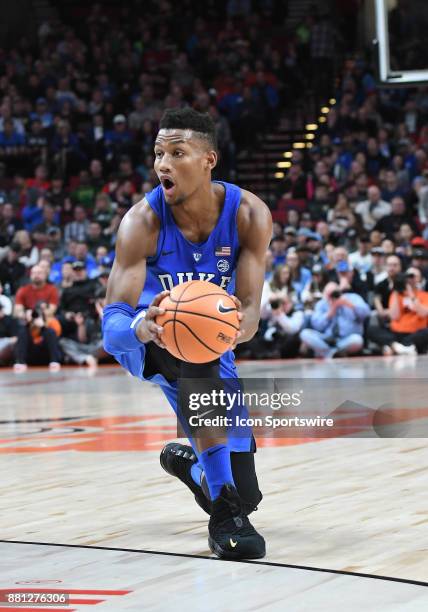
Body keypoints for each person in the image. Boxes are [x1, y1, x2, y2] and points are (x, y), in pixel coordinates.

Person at [103, 108, 272, 560]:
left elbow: (251, 309)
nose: (163, 163)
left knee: (247, 489)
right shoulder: (141, 222)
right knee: (193, 360)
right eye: (159, 153)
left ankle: (193, 467)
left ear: (208, 159)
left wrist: (240, 325)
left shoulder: (249, 214)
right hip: (152, 339)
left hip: (213, 343)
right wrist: (142, 326)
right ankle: (226, 518)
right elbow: (111, 325)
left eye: (177, 152)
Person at [300, 281, 370, 358]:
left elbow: (366, 314)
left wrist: (349, 304)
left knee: (357, 340)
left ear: (340, 291)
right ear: (325, 295)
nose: (333, 297)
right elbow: (316, 326)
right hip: (326, 339)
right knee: (305, 334)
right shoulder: (321, 304)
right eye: (329, 295)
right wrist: (330, 313)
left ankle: (327, 353)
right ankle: (332, 353)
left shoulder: (352, 298)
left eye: (335, 293)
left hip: (346, 339)